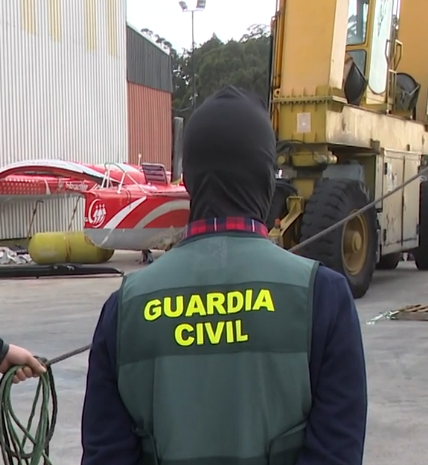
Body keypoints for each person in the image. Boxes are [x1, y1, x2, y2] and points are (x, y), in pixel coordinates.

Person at [81, 86, 368, 465]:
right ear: (269, 181)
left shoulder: (126, 308)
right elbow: (336, 453)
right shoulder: (323, 298)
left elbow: (107, 456)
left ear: (187, 182)